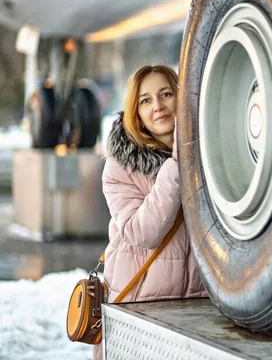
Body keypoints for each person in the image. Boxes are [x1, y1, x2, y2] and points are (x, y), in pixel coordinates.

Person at [93, 65, 206, 360]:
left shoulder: (210, 157)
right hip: (139, 310)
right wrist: (177, 164)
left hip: (196, 312)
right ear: (136, 112)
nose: (158, 106)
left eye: (166, 94)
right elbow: (142, 233)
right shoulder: (120, 167)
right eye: (146, 100)